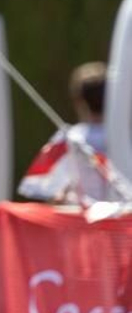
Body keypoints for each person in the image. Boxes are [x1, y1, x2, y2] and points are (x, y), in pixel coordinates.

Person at [18, 61, 114, 205]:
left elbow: (49, 190)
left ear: (79, 102)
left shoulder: (70, 138)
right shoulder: (125, 139)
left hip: (82, 220)